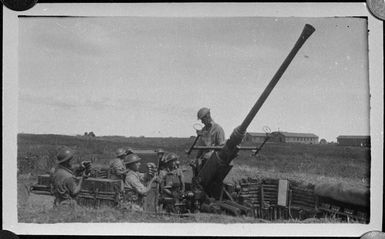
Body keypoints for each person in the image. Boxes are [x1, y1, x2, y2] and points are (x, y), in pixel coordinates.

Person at [192, 107, 226, 175]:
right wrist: (196, 159)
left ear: (208, 116)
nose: (202, 122)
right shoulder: (203, 130)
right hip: (203, 160)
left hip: (213, 159)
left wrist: (211, 154)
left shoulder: (218, 129)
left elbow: (221, 147)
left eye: (202, 119)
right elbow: (201, 148)